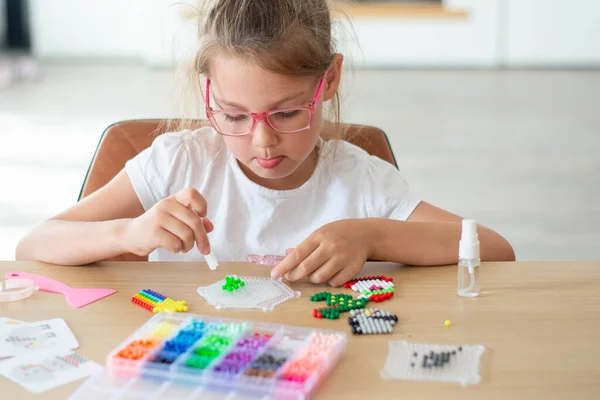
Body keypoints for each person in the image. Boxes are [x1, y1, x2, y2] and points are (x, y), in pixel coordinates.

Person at [15, 0, 515, 287]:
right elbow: (34, 244)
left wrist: (372, 236)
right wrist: (128, 234)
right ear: (207, 89)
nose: (262, 140)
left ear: (331, 79)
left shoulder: (360, 180)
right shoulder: (179, 162)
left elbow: (495, 249)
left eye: (288, 112)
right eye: (232, 115)